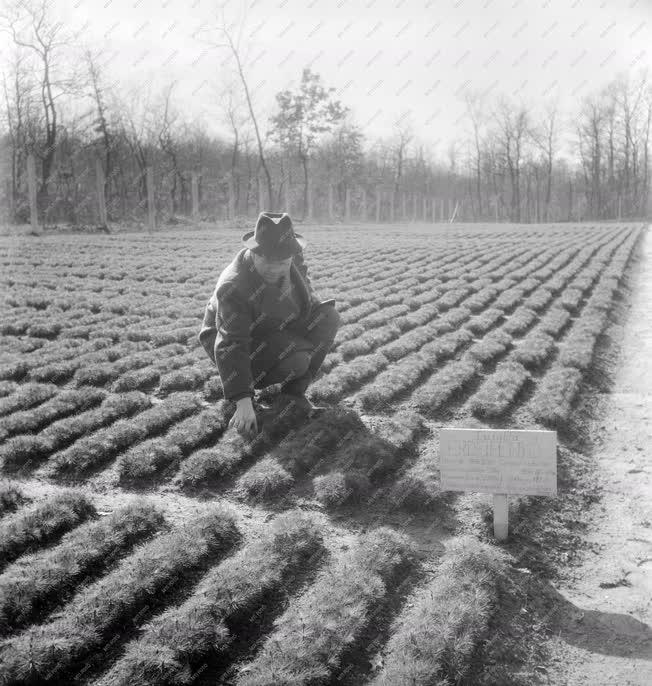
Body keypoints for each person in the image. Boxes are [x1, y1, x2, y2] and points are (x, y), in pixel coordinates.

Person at [198, 211, 341, 438]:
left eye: (282, 262)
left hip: (274, 325)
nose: (275, 268)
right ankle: (250, 388)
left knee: (328, 317)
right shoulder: (234, 286)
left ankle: (294, 395)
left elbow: (305, 290)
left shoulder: (293, 258)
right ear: (254, 252)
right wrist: (243, 401)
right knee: (298, 358)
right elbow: (231, 342)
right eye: (267, 261)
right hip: (236, 338)